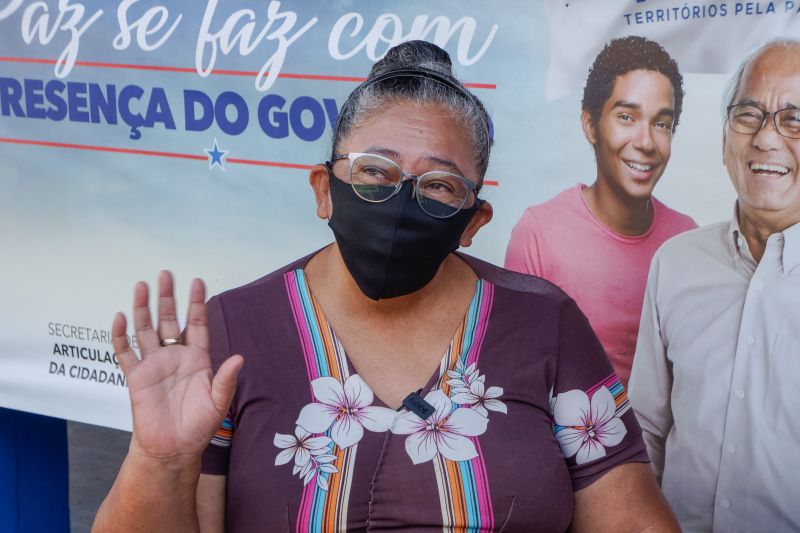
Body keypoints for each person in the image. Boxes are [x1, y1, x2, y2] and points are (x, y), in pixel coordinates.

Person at [93, 41, 678, 532]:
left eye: (440, 186)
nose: (401, 202)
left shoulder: (543, 325)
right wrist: (160, 460)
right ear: (324, 189)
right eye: (375, 171)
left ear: (474, 222)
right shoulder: (235, 332)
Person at [629, 39, 800, 532]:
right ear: (726, 133)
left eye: (794, 119)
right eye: (749, 114)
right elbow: (646, 431)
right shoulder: (676, 264)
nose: (767, 139)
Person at [505, 36, 696, 386]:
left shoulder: (686, 240)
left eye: (661, 124)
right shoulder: (539, 233)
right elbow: (518, 375)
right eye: (626, 116)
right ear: (590, 125)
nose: (646, 142)